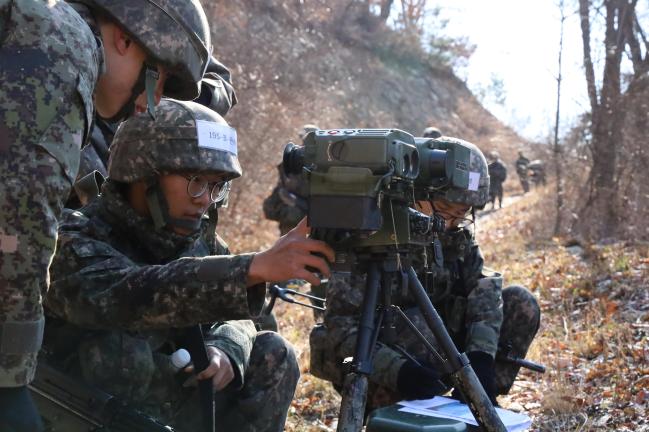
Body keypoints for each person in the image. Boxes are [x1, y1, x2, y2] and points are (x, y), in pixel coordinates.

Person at [44, 100, 333, 431]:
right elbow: (132, 291)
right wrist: (251, 267)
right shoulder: (71, 237)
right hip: (90, 414)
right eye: (196, 180)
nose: (205, 198)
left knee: (273, 352)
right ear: (143, 175)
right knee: (118, 350)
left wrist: (225, 350)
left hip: (175, 409)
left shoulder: (194, 237)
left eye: (216, 186)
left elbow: (245, 319)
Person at [0, 1, 212, 429]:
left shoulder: (36, 27)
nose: (149, 106)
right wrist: (9, 383)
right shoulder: (64, 47)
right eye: (159, 79)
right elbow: (19, 218)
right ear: (125, 38)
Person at [310, 137, 540, 413]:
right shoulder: (371, 235)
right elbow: (341, 328)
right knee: (416, 322)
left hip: (440, 352)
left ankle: (471, 403)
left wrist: (481, 357)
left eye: (461, 215)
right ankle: (395, 414)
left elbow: (483, 290)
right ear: (414, 194)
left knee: (519, 302)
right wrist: (398, 372)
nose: (451, 224)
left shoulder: (455, 236)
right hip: (383, 362)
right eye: (444, 212)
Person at [263, 124, 318, 236]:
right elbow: (271, 206)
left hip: (312, 227)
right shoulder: (290, 163)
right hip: (290, 228)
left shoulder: (323, 165)